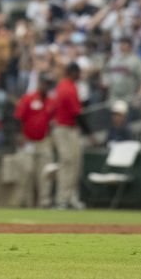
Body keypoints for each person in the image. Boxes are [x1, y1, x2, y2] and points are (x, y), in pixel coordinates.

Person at [14, 77, 56, 208]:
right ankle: (25, 202)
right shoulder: (28, 98)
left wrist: (51, 137)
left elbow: (53, 122)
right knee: (26, 171)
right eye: (43, 83)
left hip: (43, 141)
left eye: (47, 84)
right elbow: (18, 118)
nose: (45, 86)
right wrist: (20, 135)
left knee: (45, 173)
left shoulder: (51, 102)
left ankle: (44, 202)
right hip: (28, 141)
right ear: (39, 84)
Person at [50, 61, 85, 210]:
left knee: (73, 164)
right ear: (73, 73)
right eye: (77, 73)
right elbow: (77, 114)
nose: (79, 76)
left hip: (65, 128)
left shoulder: (62, 86)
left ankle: (70, 198)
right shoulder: (68, 87)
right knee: (68, 163)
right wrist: (90, 134)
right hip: (66, 129)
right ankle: (63, 199)